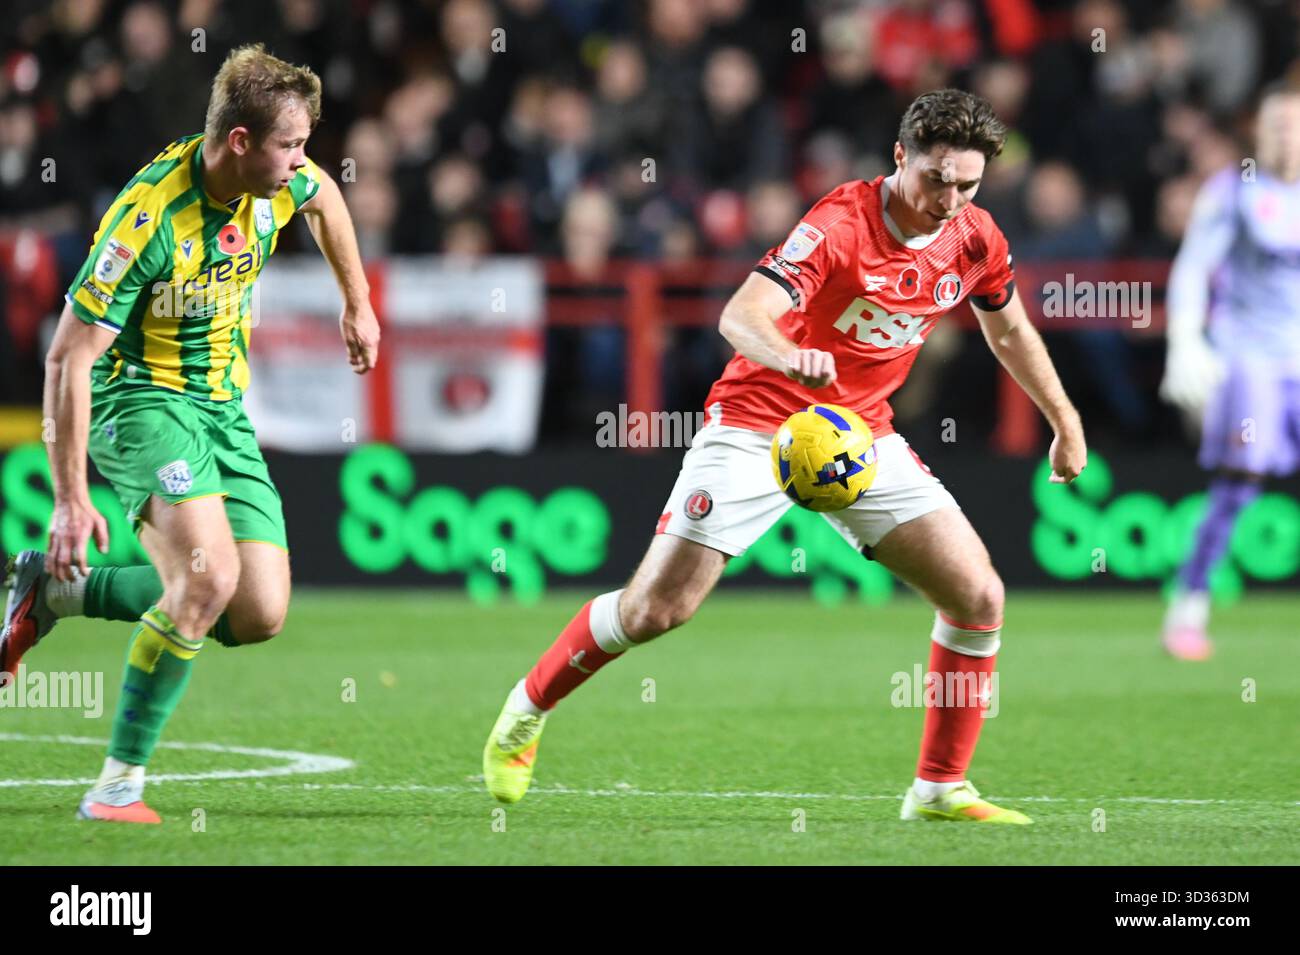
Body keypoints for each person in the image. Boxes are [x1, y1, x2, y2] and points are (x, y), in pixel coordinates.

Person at [482, 89, 1087, 824]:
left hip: (857, 438)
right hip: (758, 423)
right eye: (936, 178)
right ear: (900, 157)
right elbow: (741, 314)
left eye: (968, 184)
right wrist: (789, 354)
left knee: (978, 596)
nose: (950, 199)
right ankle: (527, 706)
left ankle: (938, 787)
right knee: (656, 610)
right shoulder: (839, 225)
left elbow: (1010, 330)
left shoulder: (977, 236)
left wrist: (1063, 417)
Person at [1, 44, 380, 823]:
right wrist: (71, 500)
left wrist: (357, 301)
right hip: (135, 401)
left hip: (220, 410)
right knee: (206, 579)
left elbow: (328, 202)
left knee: (258, 609)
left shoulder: (280, 185)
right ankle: (116, 785)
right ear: (239, 142)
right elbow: (67, 359)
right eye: (290, 145)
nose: (301, 162)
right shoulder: (145, 219)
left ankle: (56, 592)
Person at [1159, 83, 1300, 660]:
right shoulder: (1235, 191)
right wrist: (1185, 340)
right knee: (1239, 481)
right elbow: (1193, 266)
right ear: (1257, 132)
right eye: (1275, 125)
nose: (1284, 135)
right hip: (1250, 355)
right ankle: (1188, 607)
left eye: (1293, 124)